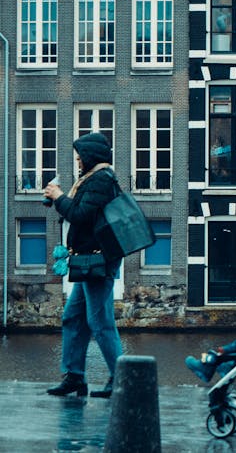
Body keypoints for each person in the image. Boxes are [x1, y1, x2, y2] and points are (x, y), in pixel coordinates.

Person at [42, 132, 124, 399]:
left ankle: (122, 379)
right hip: (88, 261)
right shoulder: (92, 179)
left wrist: (58, 197)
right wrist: (62, 199)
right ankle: (75, 377)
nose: (78, 163)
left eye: (80, 158)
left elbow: (79, 214)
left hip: (97, 262)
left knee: (100, 322)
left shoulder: (101, 179)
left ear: (90, 157)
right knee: (73, 317)